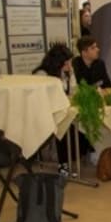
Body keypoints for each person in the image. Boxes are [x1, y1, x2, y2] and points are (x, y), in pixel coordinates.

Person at [33, 43, 78, 176]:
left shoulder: (67, 73)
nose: (69, 67)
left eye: (70, 63)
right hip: (43, 113)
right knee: (63, 125)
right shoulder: (42, 75)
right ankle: (63, 163)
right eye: (66, 63)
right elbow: (39, 100)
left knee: (71, 123)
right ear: (57, 63)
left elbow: (73, 92)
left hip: (60, 111)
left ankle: (69, 160)